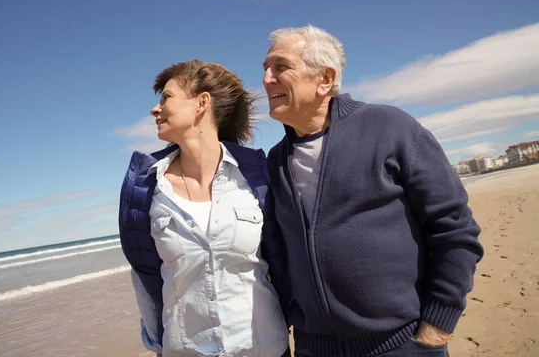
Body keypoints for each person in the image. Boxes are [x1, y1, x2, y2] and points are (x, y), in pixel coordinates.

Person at [261, 25, 484, 357]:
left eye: (281, 67)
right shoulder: (275, 160)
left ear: (325, 78)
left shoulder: (391, 127)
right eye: (265, 69)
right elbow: (277, 255)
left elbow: (455, 229)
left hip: (401, 344)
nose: (267, 79)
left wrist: (439, 322)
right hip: (313, 348)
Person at [118, 59, 289, 357]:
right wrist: (158, 345)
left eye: (166, 98)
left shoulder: (257, 175)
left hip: (264, 348)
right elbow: (145, 276)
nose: (155, 110)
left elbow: (285, 261)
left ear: (202, 103)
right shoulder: (144, 187)